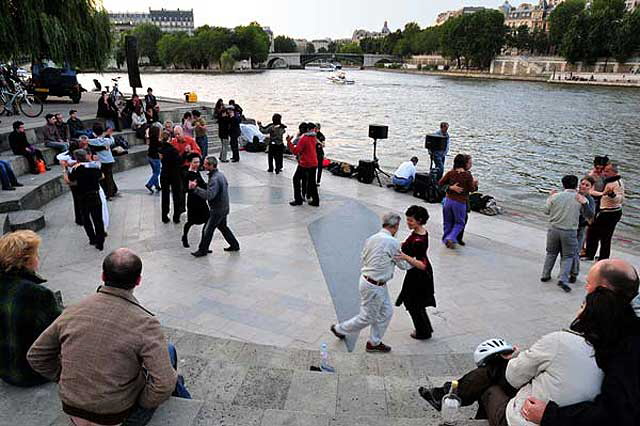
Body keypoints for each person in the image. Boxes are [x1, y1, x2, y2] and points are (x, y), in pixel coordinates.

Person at [419, 285, 636, 426]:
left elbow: (514, 377)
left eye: (582, 306)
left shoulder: (562, 341)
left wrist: (519, 359)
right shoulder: (616, 351)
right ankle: (446, 393)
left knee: (492, 382)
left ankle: (450, 395)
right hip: (562, 412)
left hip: (532, 418)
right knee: (500, 368)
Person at [27, 249, 181, 426]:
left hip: (72, 408)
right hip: (116, 415)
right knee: (169, 352)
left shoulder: (74, 310)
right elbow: (164, 384)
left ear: (102, 275)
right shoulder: (146, 323)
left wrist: (63, 377)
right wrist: (142, 401)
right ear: (138, 280)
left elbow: (36, 356)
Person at [521, 259, 640, 426]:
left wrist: (550, 415)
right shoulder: (619, 324)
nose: (586, 289)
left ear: (603, 291)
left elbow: (617, 413)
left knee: (493, 383)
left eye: (588, 284)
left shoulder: (628, 345)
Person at [330, 213, 410, 352]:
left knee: (387, 312)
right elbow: (403, 265)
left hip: (372, 282)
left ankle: (374, 342)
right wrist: (418, 263)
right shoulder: (392, 242)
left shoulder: (373, 238)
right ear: (396, 226)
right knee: (367, 317)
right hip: (374, 286)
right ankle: (340, 329)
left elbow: (364, 256)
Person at [0, 230, 62, 387]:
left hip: (5, 370)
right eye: (36, 254)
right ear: (27, 261)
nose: (38, 258)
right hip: (31, 373)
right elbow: (58, 330)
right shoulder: (38, 294)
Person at [395, 205, 436, 340]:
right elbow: (406, 245)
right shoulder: (419, 233)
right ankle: (425, 328)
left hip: (419, 276)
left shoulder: (419, 240)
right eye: (407, 220)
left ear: (419, 221)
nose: (408, 223)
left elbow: (422, 265)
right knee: (415, 303)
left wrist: (405, 257)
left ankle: (423, 331)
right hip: (416, 274)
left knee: (414, 303)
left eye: (411, 220)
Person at [541, 175, 587, 293]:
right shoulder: (579, 199)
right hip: (570, 231)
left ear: (563, 184)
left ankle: (545, 274)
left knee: (551, 253)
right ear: (576, 185)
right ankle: (563, 279)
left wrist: (550, 197)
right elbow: (587, 214)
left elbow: (546, 211)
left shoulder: (555, 197)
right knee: (568, 256)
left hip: (553, 229)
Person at [189, 156, 240, 257]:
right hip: (224, 207)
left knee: (208, 229)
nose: (203, 165)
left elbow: (209, 195)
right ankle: (234, 245)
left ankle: (203, 250)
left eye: (206, 164)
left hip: (217, 209)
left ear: (211, 166)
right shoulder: (220, 175)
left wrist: (195, 189)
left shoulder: (215, 179)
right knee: (223, 227)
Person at [65, 149, 106, 250]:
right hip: (95, 195)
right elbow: (102, 177)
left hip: (82, 197)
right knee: (98, 220)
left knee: (86, 219)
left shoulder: (76, 169)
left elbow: (70, 181)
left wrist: (64, 170)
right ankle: (100, 242)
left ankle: (92, 239)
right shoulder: (94, 167)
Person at [584, 162, 624, 261]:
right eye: (604, 171)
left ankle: (594, 255)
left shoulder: (616, 183)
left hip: (610, 213)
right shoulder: (609, 181)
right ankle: (600, 256)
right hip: (606, 211)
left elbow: (620, 199)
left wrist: (612, 195)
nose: (604, 173)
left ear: (614, 172)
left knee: (600, 235)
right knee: (597, 234)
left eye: (607, 171)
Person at [438, 154, 478, 249]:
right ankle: (451, 238)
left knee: (447, 221)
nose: (471, 164)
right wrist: (476, 184)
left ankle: (446, 239)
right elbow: (471, 189)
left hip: (448, 201)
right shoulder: (467, 175)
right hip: (460, 203)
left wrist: (450, 187)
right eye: (470, 163)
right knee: (460, 223)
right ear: (465, 164)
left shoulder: (451, 173)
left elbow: (440, 183)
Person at [570, 176, 596, 283]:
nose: (583, 186)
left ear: (591, 188)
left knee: (576, 251)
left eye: (587, 185)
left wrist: (584, 204)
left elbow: (591, 217)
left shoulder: (589, 200)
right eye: (582, 184)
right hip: (569, 226)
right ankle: (567, 271)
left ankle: (574, 273)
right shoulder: (573, 194)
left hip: (580, 228)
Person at [287, 123, 319, 207]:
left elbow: (295, 151)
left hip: (305, 163)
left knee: (296, 179)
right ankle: (316, 201)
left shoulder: (304, 138)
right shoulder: (314, 137)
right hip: (314, 162)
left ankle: (298, 200)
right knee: (312, 182)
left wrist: (289, 142)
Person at [181, 154, 209, 248]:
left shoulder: (197, 172)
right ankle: (184, 237)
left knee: (207, 220)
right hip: (193, 201)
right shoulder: (187, 174)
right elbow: (185, 189)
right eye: (195, 162)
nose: (197, 164)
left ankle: (204, 243)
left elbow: (202, 183)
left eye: (198, 162)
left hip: (201, 199)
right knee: (191, 221)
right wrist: (190, 187)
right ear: (190, 163)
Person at [159, 132, 185, 224]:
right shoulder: (172, 150)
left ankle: (164, 216)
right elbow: (180, 161)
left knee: (165, 196)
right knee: (176, 195)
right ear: (169, 139)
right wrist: (185, 153)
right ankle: (176, 216)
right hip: (174, 174)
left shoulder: (160, 148)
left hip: (164, 173)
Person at [89, 123, 118, 200]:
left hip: (102, 162)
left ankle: (107, 193)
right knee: (109, 177)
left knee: (103, 177)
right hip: (110, 160)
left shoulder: (93, 141)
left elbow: (87, 142)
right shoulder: (107, 140)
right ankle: (111, 192)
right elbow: (112, 140)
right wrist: (109, 134)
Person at [145, 126, 162, 194]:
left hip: (150, 157)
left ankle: (157, 186)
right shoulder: (157, 140)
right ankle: (149, 184)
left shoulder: (151, 139)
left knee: (154, 171)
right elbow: (161, 145)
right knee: (157, 172)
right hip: (155, 158)